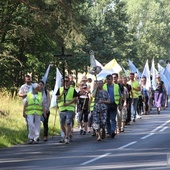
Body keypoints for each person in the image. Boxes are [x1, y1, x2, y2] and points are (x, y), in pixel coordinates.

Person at [56, 76, 78, 144]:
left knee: (68, 123)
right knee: (62, 124)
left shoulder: (72, 89)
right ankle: (67, 134)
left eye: (67, 81)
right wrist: (62, 93)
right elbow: (57, 98)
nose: (65, 82)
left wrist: (69, 103)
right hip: (62, 109)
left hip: (70, 108)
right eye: (64, 81)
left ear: (69, 82)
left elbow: (76, 98)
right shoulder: (60, 89)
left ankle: (66, 137)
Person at [103, 74, 122, 138]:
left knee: (113, 118)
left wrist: (120, 105)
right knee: (107, 119)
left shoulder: (116, 86)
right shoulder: (104, 86)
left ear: (112, 80)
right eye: (107, 79)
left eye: (109, 79)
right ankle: (109, 132)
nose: (108, 81)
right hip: (106, 105)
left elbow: (120, 96)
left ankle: (112, 131)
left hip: (114, 104)